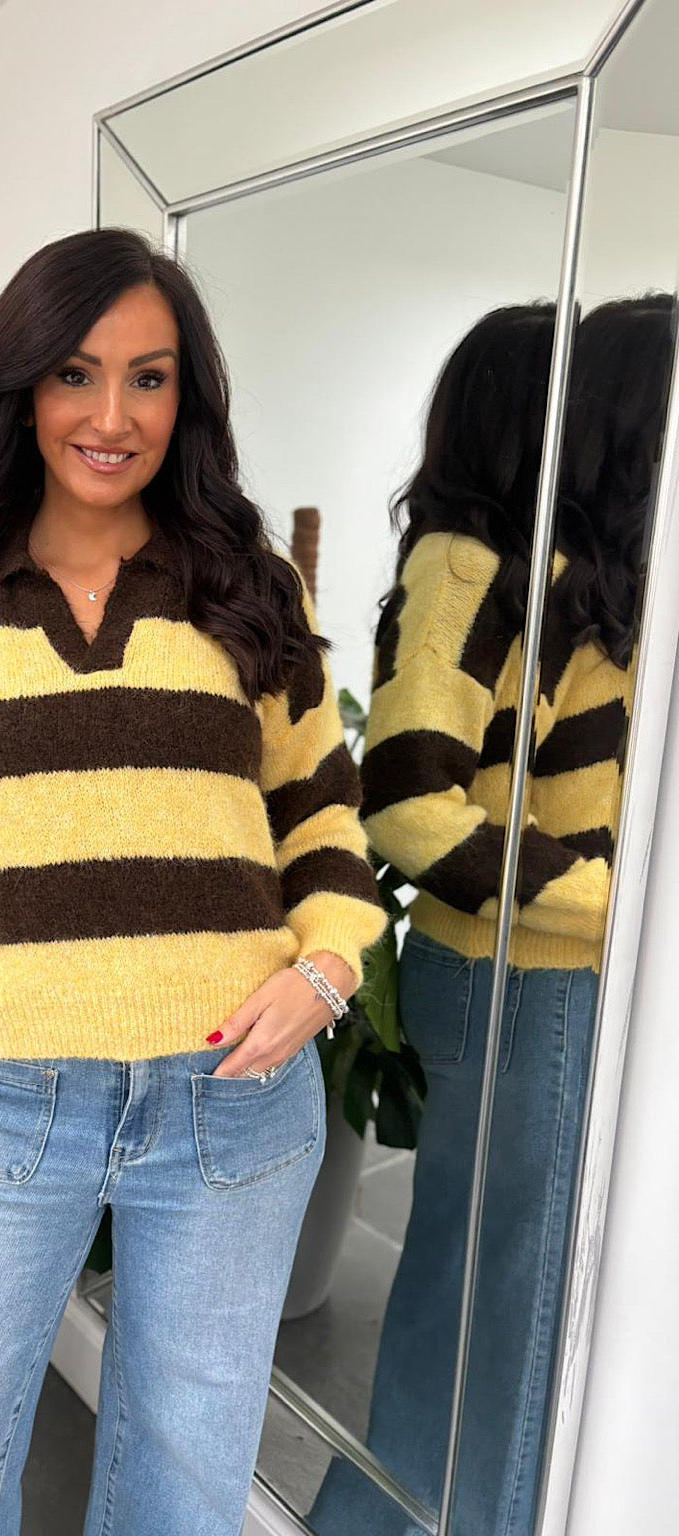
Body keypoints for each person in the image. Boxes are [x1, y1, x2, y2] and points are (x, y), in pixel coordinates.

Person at [0, 226, 388, 1536]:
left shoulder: (250, 590)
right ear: (22, 389)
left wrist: (329, 968)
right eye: (75, 374)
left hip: (231, 1098)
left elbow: (321, 813)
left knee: (183, 1494)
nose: (112, 417)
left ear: (189, 398)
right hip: (7, 1101)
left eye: (149, 378)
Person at [309, 294, 672, 1536]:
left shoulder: (568, 579)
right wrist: (620, 908)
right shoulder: (473, 570)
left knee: (509, 1297)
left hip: (551, 977)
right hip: (525, 978)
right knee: (496, 1305)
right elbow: (408, 803)